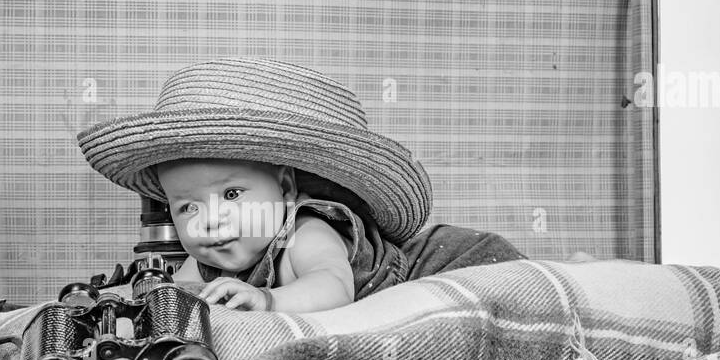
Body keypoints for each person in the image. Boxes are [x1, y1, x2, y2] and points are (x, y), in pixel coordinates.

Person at [77, 57, 526, 312]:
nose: (210, 221)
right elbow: (178, 295)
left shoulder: (305, 229)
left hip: (446, 263)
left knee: (519, 292)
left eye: (232, 195)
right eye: (187, 207)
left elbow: (333, 286)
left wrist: (267, 300)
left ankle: (573, 271)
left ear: (287, 189)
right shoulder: (211, 257)